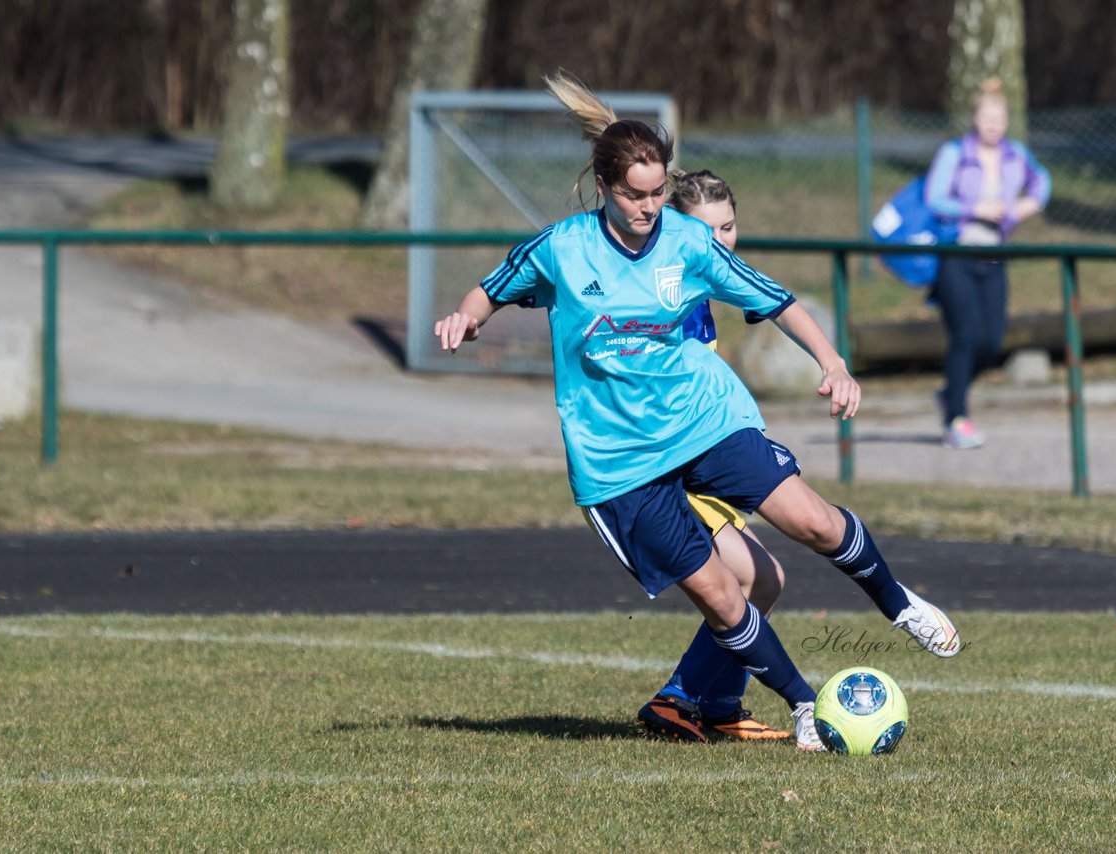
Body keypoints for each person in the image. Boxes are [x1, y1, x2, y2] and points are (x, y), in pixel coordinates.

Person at [435, 73, 961, 753]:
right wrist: (466, 319)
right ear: (604, 190)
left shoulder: (687, 242)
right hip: (619, 461)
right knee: (721, 594)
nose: (651, 207)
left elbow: (776, 299)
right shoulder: (564, 248)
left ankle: (900, 605)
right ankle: (804, 706)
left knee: (814, 521)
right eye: (635, 195)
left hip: (702, 423)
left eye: (658, 192)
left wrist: (831, 362)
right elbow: (492, 288)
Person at [632, 169, 963, 745]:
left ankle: (694, 701)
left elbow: (780, 303)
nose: (720, 240)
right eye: (706, 230)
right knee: (752, 579)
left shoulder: (714, 269)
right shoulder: (639, 275)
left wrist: (832, 364)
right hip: (652, 464)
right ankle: (705, 700)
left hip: (706, 444)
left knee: (765, 579)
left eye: (729, 226)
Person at [924, 77, 1051, 449]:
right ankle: (956, 419)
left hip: (994, 257)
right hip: (957, 254)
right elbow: (935, 198)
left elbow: (1042, 181)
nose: (993, 123)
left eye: (999, 117)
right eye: (986, 116)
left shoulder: (1016, 155)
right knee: (964, 335)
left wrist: (1027, 206)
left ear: (1007, 120)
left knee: (992, 340)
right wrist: (974, 209)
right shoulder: (955, 153)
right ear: (975, 118)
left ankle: (951, 392)